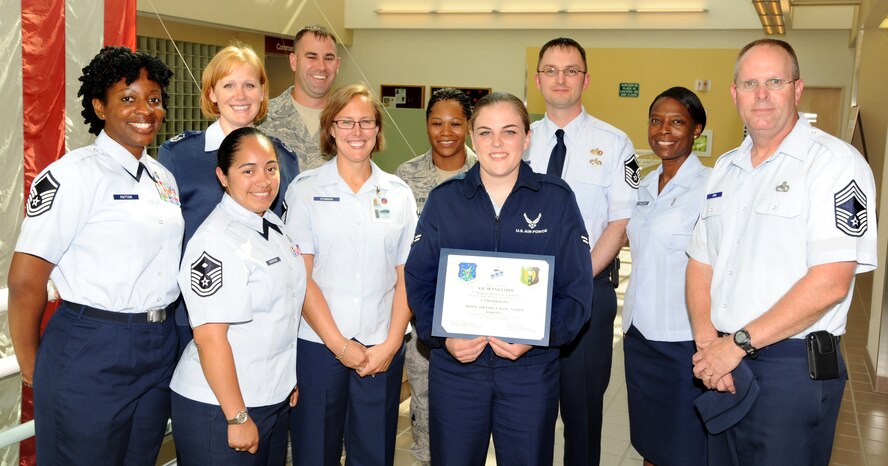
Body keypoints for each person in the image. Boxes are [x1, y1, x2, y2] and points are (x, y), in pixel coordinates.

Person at [686, 39, 877, 465]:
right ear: (734, 93)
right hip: (723, 360)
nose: (761, 94)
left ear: (797, 89)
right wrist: (707, 346)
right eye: (750, 83)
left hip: (791, 370)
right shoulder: (726, 168)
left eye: (774, 81)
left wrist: (735, 345)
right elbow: (700, 261)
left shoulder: (835, 164)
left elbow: (830, 282)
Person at [7, 46, 182, 465]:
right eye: (128, 98)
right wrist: (34, 368)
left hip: (158, 344)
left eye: (153, 99)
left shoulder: (162, 176)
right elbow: (25, 280)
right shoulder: (72, 175)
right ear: (99, 106)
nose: (145, 109)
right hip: (92, 346)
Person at [405, 92, 594, 465]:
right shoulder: (445, 201)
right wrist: (443, 336)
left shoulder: (556, 201)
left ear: (527, 138)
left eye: (509, 132)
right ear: (473, 138)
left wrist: (539, 337)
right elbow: (419, 282)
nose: (497, 143)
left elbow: (576, 292)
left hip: (529, 371)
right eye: (486, 132)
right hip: (457, 370)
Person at [284, 83, 417, 466]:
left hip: (381, 347)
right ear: (330, 128)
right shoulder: (305, 190)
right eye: (346, 122)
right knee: (315, 453)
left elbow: (406, 274)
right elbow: (301, 278)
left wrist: (391, 344)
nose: (356, 132)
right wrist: (340, 346)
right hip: (319, 347)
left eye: (366, 122)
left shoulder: (398, 193)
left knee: (374, 453)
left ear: (378, 130)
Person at [524, 37, 639, 466]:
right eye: (551, 70)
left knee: (583, 413)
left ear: (586, 80)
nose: (560, 79)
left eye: (571, 70)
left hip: (589, 292)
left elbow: (619, 222)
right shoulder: (519, 139)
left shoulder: (614, 144)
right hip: (526, 294)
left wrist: (575, 278)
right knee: (529, 411)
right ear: (538, 80)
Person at [170, 127, 305, 465]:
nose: (263, 180)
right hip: (221, 407)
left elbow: (283, 311)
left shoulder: (272, 224)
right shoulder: (215, 242)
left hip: (268, 396)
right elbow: (210, 339)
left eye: (271, 168)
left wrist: (284, 380)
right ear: (223, 177)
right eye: (248, 170)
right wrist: (237, 417)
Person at [158, 43, 299, 356]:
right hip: (197, 311)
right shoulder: (180, 155)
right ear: (212, 94)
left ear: (263, 93)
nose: (241, 94)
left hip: (267, 312)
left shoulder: (285, 159)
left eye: (250, 85)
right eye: (229, 85)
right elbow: (161, 237)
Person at [622, 87, 710, 466]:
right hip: (639, 334)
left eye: (677, 122)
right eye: (656, 120)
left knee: (683, 446)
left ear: (696, 130)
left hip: (682, 340)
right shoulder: (641, 185)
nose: (664, 130)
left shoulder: (711, 188)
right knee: (649, 441)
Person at [394, 87, 477, 464]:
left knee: (471, 420)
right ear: (426, 125)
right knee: (426, 413)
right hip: (424, 318)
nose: (446, 131)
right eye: (436, 123)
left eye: (456, 123)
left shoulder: (487, 172)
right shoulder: (405, 178)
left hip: (477, 320)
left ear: (469, 126)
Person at [259, 24, 341, 171]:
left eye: (328, 58)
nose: (321, 66)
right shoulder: (261, 118)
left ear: (337, 65)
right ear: (294, 61)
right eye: (311, 57)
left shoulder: (351, 123)